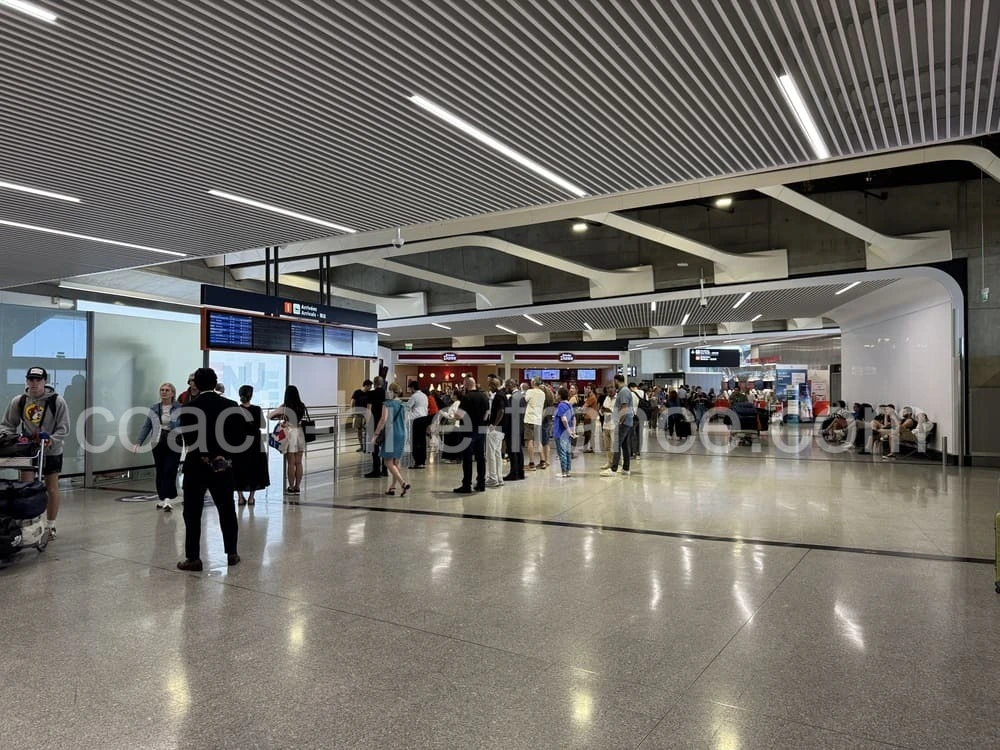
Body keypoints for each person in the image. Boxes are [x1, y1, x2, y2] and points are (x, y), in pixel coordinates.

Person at [176, 367, 244, 570]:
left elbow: (188, 439)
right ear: (215, 384)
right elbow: (238, 438)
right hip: (222, 465)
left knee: (192, 512)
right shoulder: (230, 405)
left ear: (195, 383)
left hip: (196, 463)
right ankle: (232, 553)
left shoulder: (188, 408)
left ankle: (193, 557)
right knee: (226, 510)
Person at [1, 367, 70, 539]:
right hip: (29, 451)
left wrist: (51, 439)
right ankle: (28, 524)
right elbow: (7, 424)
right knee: (26, 487)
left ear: (45, 381)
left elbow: (64, 428)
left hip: (52, 450)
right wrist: (12, 439)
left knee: (51, 487)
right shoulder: (20, 400)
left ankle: (51, 525)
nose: (33, 383)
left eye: (37, 380)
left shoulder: (57, 401)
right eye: (30, 379)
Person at [133, 382, 182, 512]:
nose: (164, 392)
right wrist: (139, 442)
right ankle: (162, 497)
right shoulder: (154, 408)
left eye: (167, 390)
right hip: (158, 441)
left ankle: (168, 498)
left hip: (174, 441)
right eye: (162, 390)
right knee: (160, 469)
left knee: (170, 469)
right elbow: (147, 426)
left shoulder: (179, 408)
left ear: (172, 393)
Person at [232, 385, 269, 506]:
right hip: (254, 443)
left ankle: (240, 497)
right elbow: (263, 425)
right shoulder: (257, 409)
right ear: (251, 396)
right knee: (254, 468)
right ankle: (251, 498)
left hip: (239, 443)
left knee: (238, 468)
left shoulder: (235, 410)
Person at [269, 385, 308, 498]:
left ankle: (291, 487)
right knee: (299, 462)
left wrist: (280, 416)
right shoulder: (301, 405)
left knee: (290, 463)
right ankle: (297, 487)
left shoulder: (285, 406)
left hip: (289, 434)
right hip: (300, 433)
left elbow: (270, 416)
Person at [373, 382, 410, 496]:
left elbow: (383, 420)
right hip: (402, 433)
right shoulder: (403, 405)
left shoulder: (387, 404)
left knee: (387, 461)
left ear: (390, 391)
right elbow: (405, 420)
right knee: (396, 461)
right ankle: (393, 487)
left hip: (391, 434)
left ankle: (402, 483)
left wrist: (376, 434)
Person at [454, 376, 489, 494]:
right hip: (481, 429)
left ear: (467, 385)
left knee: (467, 458)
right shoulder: (484, 396)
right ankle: (481, 483)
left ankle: (466, 485)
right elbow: (486, 414)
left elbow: (458, 416)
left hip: (468, 430)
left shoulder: (466, 397)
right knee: (480, 457)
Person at [601, 374, 633, 477]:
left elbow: (624, 407)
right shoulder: (626, 390)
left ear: (616, 381)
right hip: (627, 422)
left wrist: (619, 421)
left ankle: (613, 469)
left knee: (616, 445)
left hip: (623, 422)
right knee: (625, 446)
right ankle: (626, 468)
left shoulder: (623, 391)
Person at [502, 379, 526, 482]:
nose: (506, 388)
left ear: (511, 386)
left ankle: (514, 473)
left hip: (513, 427)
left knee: (513, 452)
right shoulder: (521, 396)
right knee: (518, 450)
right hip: (519, 426)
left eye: (507, 386)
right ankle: (520, 472)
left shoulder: (513, 398)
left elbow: (510, 414)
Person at [485, 377, 505, 487]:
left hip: (495, 428)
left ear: (493, 385)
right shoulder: (502, 395)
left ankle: (493, 478)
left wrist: (494, 425)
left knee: (491, 453)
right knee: (497, 453)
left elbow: (501, 411)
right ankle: (499, 477)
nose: (489, 388)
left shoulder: (498, 396)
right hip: (500, 429)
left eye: (489, 385)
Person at [365, 377, 387, 478]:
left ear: (374, 383)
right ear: (382, 384)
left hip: (374, 422)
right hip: (386, 422)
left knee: (375, 447)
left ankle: (376, 470)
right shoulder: (387, 394)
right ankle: (385, 470)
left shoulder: (371, 394)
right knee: (386, 446)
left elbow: (369, 410)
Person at [554, 387, 578, 478]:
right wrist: (573, 430)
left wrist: (568, 430)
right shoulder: (569, 405)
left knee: (562, 453)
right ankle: (567, 471)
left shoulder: (561, 405)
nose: (556, 395)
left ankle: (563, 472)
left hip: (560, 433)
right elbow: (574, 418)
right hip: (567, 433)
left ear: (559, 396)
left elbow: (563, 419)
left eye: (556, 394)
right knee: (567, 452)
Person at [406, 380, 430, 469]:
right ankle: (422, 461)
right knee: (422, 441)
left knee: (415, 441)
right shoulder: (424, 395)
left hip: (417, 420)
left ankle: (417, 462)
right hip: (425, 418)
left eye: (410, 388)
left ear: (412, 388)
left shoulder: (414, 396)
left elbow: (408, 406)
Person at [523, 377, 545, 471]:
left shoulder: (530, 392)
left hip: (530, 419)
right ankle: (542, 461)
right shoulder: (542, 393)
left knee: (530, 441)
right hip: (538, 419)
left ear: (533, 382)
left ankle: (531, 463)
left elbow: (525, 400)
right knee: (538, 441)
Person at [351, 380, 372, 453]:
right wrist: (353, 413)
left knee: (367, 431)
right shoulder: (357, 392)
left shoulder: (369, 393)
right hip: (358, 414)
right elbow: (353, 402)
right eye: (370, 386)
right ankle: (362, 446)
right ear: (366, 385)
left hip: (365, 414)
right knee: (359, 430)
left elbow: (369, 405)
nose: (370, 388)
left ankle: (367, 447)